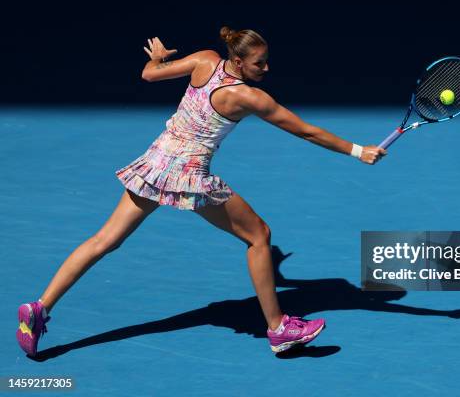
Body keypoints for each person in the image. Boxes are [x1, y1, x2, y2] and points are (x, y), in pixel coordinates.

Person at [16, 27, 387, 356]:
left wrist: (159, 59)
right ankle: (278, 329)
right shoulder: (248, 97)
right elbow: (305, 130)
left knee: (104, 240)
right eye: (260, 63)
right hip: (187, 174)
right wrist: (358, 150)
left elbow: (149, 74)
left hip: (156, 161)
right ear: (239, 62)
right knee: (259, 235)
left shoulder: (204, 61)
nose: (267, 69)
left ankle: (39, 308)